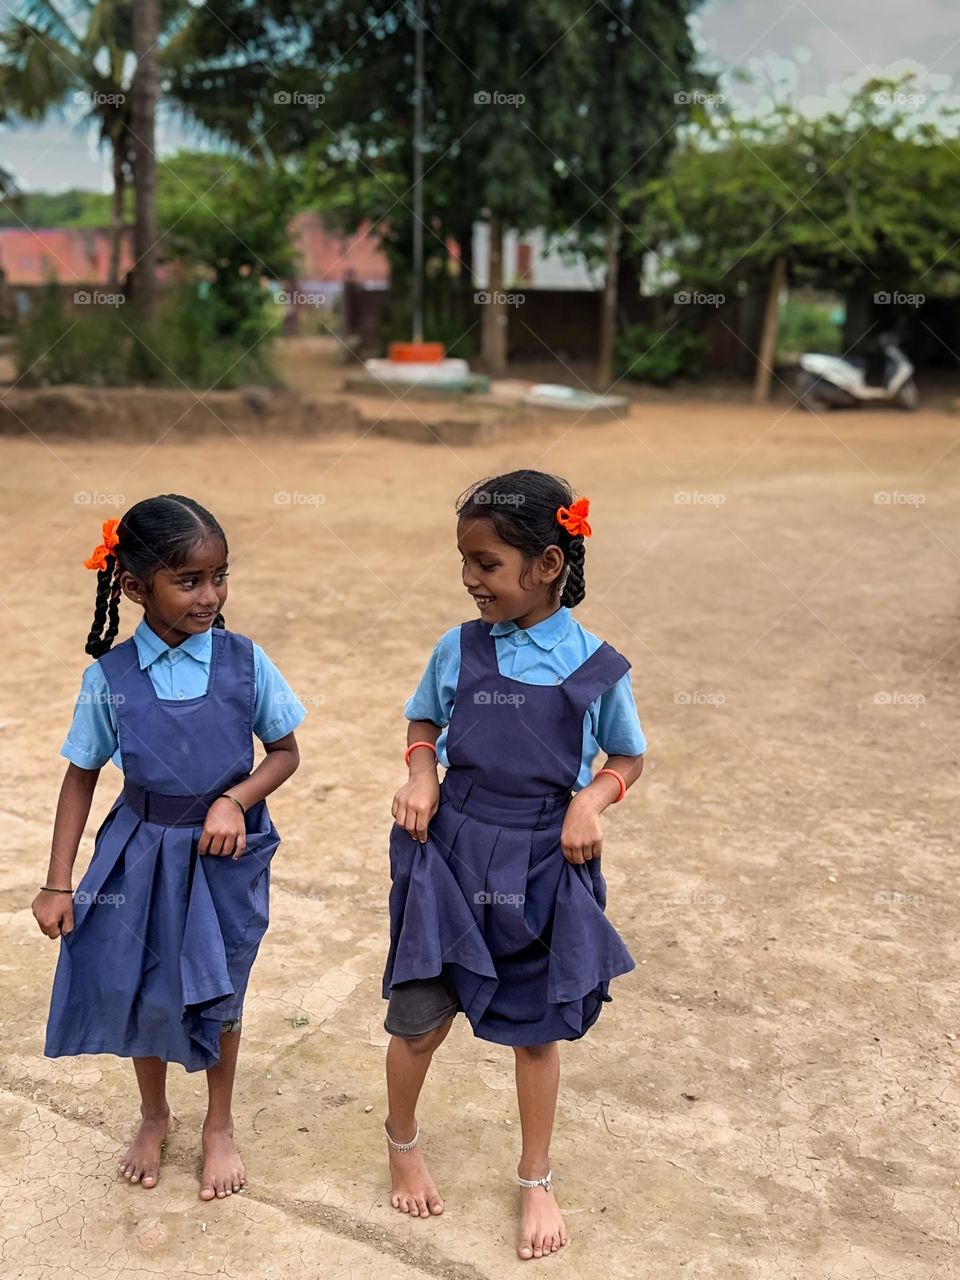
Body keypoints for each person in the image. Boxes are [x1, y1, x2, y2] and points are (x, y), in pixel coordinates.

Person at [381, 470, 646, 1260]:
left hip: (543, 865)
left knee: (538, 1033)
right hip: (451, 855)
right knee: (420, 1021)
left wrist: (589, 803)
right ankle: (401, 1143)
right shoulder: (457, 649)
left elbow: (627, 756)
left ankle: (535, 1180)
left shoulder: (599, 668)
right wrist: (422, 773)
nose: (469, 579)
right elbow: (424, 718)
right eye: (463, 561)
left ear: (548, 565)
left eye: (485, 563)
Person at [33, 495, 305, 1201]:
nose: (210, 595)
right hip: (140, 854)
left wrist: (233, 799)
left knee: (222, 988)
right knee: (143, 982)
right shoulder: (110, 680)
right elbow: (80, 776)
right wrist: (59, 880)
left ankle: (219, 1123)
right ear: (133, 585)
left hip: (225, 856)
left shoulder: (246, 663)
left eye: (220, 576)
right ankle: (154, 1114)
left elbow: (284, 752)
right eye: (189, 580)